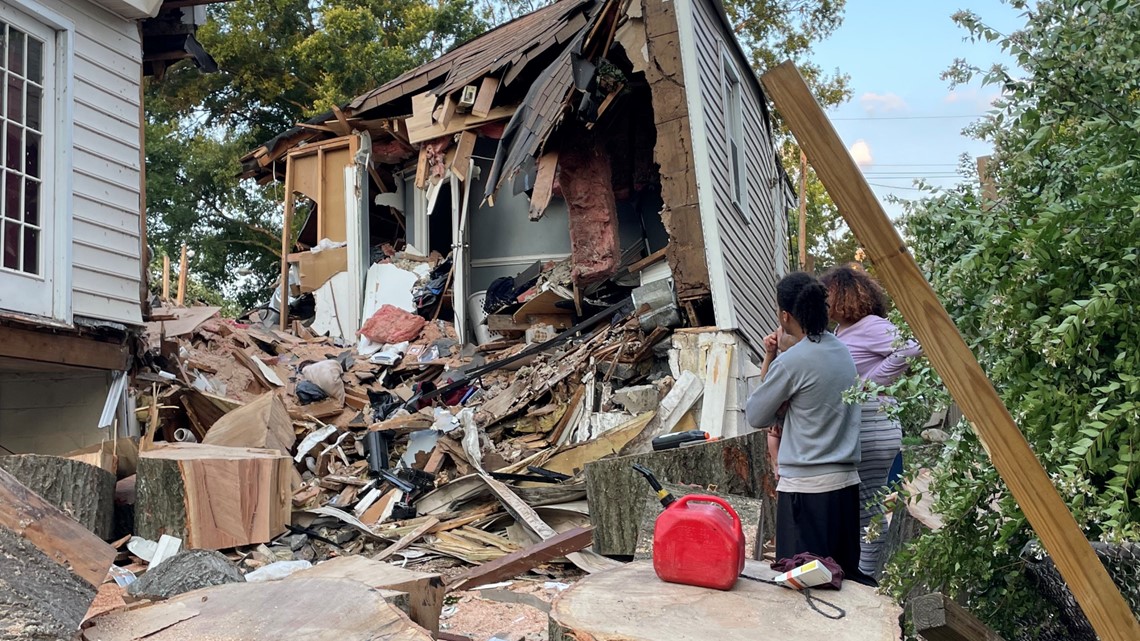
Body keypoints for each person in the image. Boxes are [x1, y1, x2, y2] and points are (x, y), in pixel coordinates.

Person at [745, 272, 865, 583]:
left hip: (806, 491)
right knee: (844, 582)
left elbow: (757, 414)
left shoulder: (792, 362)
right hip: (845, 488)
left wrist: (772, 355)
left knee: (803, 587)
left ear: (785, 315)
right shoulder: (841, 350)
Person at [819, 264, 923, 579]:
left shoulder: (869, 325)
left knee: (869, 504)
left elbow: (912, 346)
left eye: (828, 295)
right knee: (859, 503)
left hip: (874, 422)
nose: (823, 302)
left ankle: (867, 575)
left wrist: (871, 382)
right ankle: (859, 571)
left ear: (843, 295)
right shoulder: (840, 332)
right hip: (860, 423)